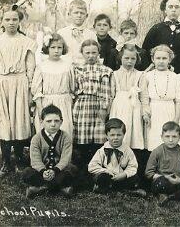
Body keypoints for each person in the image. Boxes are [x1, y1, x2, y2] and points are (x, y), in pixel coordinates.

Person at [0, 4, 37, 177]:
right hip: (1, 83)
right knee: (4, 122)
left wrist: (30, 90)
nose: (11, 23)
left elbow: (31, 67)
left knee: (20, 121)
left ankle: (20, 161)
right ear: (1, 21)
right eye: (7, 19)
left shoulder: (27, 42)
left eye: (15, 19)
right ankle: (6, 162)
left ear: (19, 21)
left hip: (21, 82)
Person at [109, 44, 147, 184]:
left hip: (134, 109)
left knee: (133, 136)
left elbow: (143, 96)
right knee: (118, 136)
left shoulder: (140, 75)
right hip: (119, 106)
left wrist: (145, 112)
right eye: (126, 58)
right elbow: (112, 94)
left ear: (137, 59)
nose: (129, 61)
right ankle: (114, 170)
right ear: (120, 58)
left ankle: (131, 174)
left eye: (133, 58)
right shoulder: (114, 74)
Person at [73, 39, 113, 171]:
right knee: (82, 137)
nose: (91, 55)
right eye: (87, 53)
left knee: (98, 137)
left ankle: (97, 168)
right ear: (82, 53)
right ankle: (82, 170)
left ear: (98, 53)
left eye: (94, 52)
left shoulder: (105, 70)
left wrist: (104, 108)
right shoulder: (77, 69)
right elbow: (74, 89)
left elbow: (106, 90)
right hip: (82, 105)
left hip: (98, 105)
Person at [22, 105, 77, 199]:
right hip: (42, 172)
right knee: (27, 173)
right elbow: (35, 160)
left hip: (59, 170)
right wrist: (43, 171)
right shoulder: (36, 138)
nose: (53, 124)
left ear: (61, 121)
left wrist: (55, 170)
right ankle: (61, 189)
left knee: (72, 170)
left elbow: (65, 158)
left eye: (56, 121)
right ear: (41, 122)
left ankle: (41, 188)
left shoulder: (65, 137)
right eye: (48, 121)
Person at [142, 0, 180, 79]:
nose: (173, 10)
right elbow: (145, 52)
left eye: (177, 7)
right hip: (158, 75)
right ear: (165, 9)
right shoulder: (156, 29)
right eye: (170, 7)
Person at [140, 45, 180, 151]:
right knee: (154, 143)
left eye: (164, 58)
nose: (161, 61)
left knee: (171, 141)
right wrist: (146, 113)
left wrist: (176, 119)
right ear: (152, 59)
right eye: (158, 58)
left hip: (170, 111)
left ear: (169, 60)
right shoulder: (147, 76)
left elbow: (178, 100)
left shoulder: (175, 77)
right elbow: (144, 98)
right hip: (153, 112)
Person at [88, 118, 146, 196]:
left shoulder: (127, 151)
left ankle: (122, 190)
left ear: (123, 135)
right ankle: (105, 188)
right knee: (101, 177)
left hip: (121, 178)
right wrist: (105, 171)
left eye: (119, 135)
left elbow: (133, 166)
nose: (115, 138)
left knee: (135, 177)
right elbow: (92, 166)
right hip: (108, 177)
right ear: (107, 136)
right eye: (112, 135)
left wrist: (124, 174)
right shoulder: (102, 150)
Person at [31, 33, 74, 136]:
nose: (56, 50)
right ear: (47, 48)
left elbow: (72, 87)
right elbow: (36, 90)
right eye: (53, 47)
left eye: (59, 47)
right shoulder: (42, 66)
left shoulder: (68, 66)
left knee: (64, 130)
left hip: (64, 103)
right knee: (47, 132)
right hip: (46, 103)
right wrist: (41, 109)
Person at [145, 121, 180, 206]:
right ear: (162, 137)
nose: (171, 140)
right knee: (160, 183)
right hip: (164, 181)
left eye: (174, 136)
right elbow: (149, 173)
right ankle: (166, 195)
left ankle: (171, 196)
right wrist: (165, 177)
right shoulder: (157, 151)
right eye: (167, 136)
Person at [57, 0, 96, 65]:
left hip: (85, 68)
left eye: (82, 13)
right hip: (65, 68)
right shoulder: (61, 33)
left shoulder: (91, 35)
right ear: (69, 14)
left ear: (86, 16)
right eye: (76, 12)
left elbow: (95, 55)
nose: (79, 15)